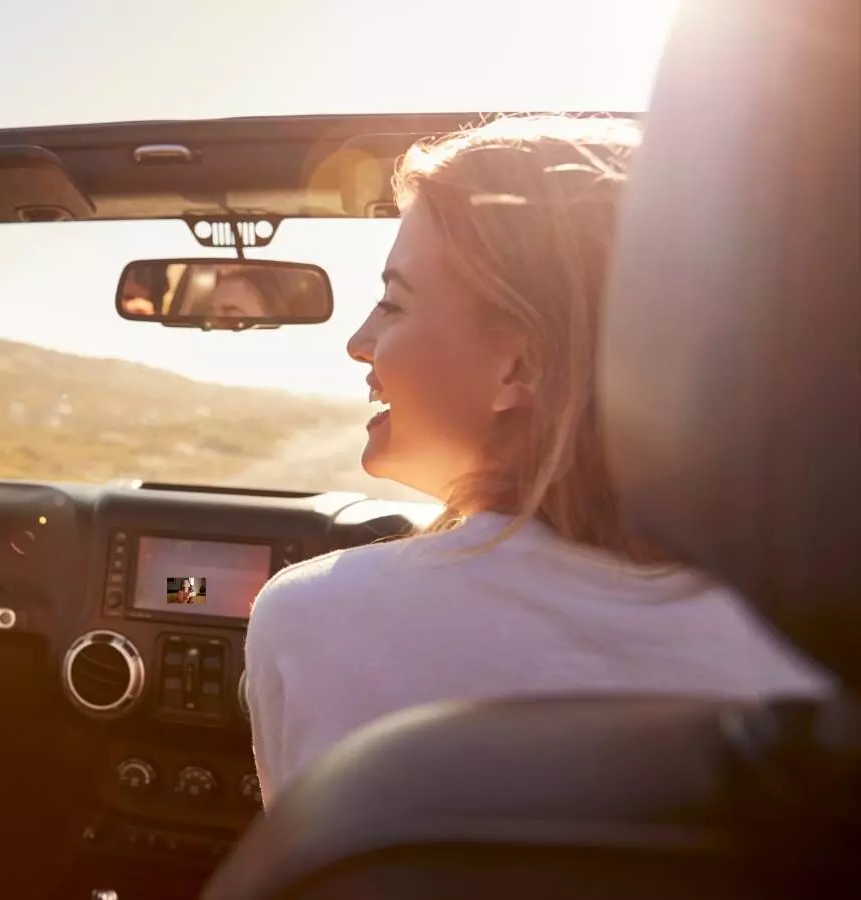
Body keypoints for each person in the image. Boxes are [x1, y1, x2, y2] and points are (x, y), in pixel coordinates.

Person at [243, 116, 832, 807]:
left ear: (519, 364)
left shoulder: (315, 617)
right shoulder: (813, 657)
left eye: (393, 303)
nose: (358, 341)